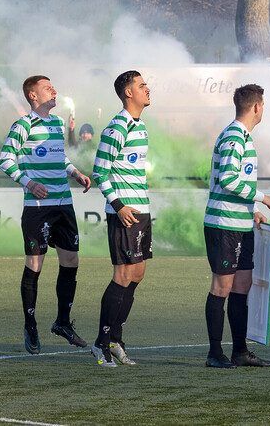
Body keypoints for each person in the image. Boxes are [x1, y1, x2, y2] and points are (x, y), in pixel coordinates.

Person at [0, 75, 92, 354]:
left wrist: (74, 172)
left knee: (71, 261)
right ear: (34, 96)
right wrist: (29, 182)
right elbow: (5, 159)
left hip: (63, 203)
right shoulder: (23, 125)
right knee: (35, 264)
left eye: (54, 85)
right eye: (47, 87)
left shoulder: (57, 123)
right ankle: (30, 324)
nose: (54, 90)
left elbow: (58, 156)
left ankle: (62, 322)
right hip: (38, 209)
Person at [203, 84, 270, 369]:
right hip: (223, 224)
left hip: (240, 222)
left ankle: (240, 351)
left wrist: (254, 211)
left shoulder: (243, 136)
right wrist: (263, 197)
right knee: (221, 287)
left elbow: (236, 183)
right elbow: (228, 179)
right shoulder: (235, 136)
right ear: (257, 107)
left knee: (242, 285)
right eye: (264, 106)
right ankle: (214, 353)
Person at [90, 70, 152, 367]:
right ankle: (101, 343)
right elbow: (100, 171)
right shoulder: (117, 127)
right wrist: (118, 205)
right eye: (141, 85)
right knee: (123, 274)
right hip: (124, 213)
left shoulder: (140, 127)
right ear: (129, 93)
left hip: (142, 210)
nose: (147, 88)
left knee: (137, 274)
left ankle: (115, 339)